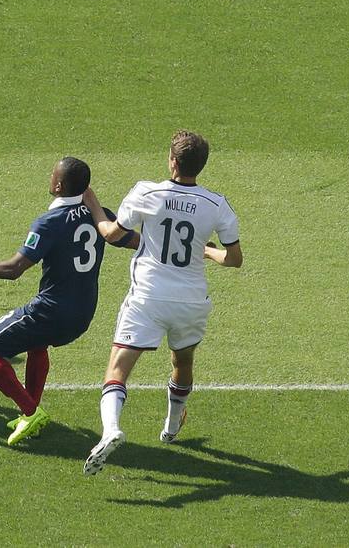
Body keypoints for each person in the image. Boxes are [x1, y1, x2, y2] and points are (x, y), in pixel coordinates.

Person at [80, 130, 243, 475]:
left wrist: (94, 205)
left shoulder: (146, 192)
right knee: (182, 360)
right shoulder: (217, 205)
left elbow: (112, 234)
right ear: (202, 165)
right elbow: (233, 259)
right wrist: (205, 249)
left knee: (118, 369)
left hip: (148, 296)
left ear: (171, 160)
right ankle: (170, 426)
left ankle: (111, 430)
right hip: (191, 301)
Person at [0, 156, 123, 447]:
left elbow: (13, 270)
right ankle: (29, 414)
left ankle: (30, 410)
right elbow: (128, 238)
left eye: (52, 174)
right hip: (83, 313)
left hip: (51, 310)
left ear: (59, 185)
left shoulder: (48, 223)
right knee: (37, 343)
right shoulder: (101, 217)